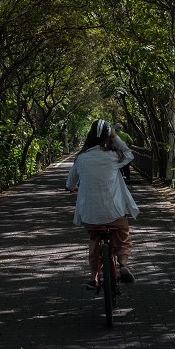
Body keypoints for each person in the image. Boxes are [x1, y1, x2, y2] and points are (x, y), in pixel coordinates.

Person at [66, 119, 140, 286]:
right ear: (109, 137)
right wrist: (115, 138)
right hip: (114, 212)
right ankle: (123, 263)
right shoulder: (114, 157)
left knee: (94, 238)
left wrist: (71, 188)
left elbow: (70, 183)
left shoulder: (81, 159)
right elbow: (129, 154)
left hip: (90, 215)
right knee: (122, 237)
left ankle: (93, 277)